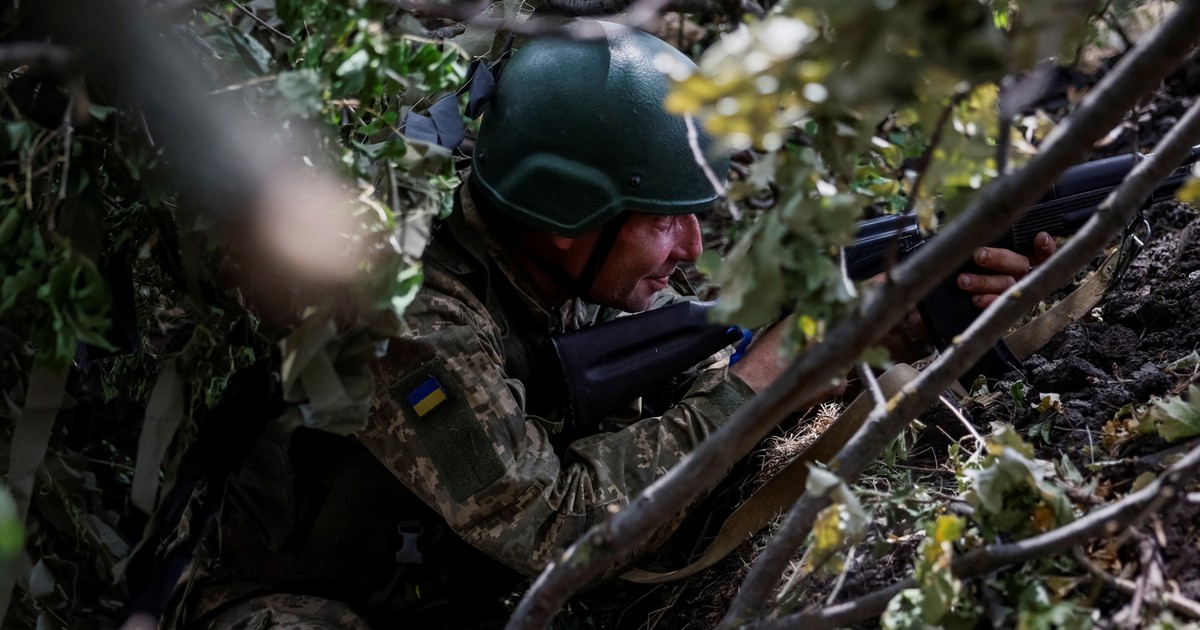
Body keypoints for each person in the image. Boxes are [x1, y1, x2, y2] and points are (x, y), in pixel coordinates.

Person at [172, 20, 1055, 629]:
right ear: (571, 215)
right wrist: (756, 386)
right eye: (665, 217)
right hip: (300, 600)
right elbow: (556, 530)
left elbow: (680, 394)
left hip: (450, 580)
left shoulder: (589, 268)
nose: (691, 243)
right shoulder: (410, 311)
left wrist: (897, 326)